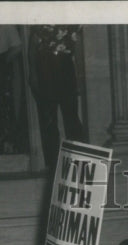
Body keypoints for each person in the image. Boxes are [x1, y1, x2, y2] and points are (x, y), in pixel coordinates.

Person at [28, 25, 85, 169]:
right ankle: (53, 163)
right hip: (45, 70)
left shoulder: (71, 24)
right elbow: (32, 50)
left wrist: (79, 76)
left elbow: (78, 50)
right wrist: (34, 75)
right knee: (48, 119)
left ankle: (79, 160)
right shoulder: (39, 24)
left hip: (65, 69)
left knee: (71, 117)